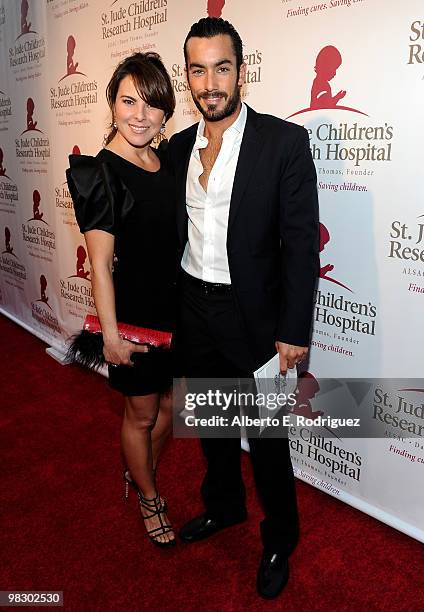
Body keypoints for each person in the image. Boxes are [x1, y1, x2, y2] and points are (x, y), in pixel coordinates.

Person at [168, 18, 319, 597]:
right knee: (210, 426)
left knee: (269, 440)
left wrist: (293, 329)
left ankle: (281, 536)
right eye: (198, 69)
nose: (211, 82)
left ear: (241, 72)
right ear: (188, 77)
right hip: (193, 308)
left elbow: (302, 243)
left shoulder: (283, 142)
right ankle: (224, 506)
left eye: (222, 67)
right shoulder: (178, 147)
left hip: (256, 318)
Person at [66, 52, 177, 547]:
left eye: (152, 105)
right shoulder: (100, 174)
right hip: (134, 317)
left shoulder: (164, 158)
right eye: (128, 100)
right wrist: (110, 336)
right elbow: (100, 268)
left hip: (178, 308)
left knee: (174, 411)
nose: (140, 115)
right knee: (142, 414)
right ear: (111, 104)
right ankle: (149, 496)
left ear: (165, 112)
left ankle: (140, 470)